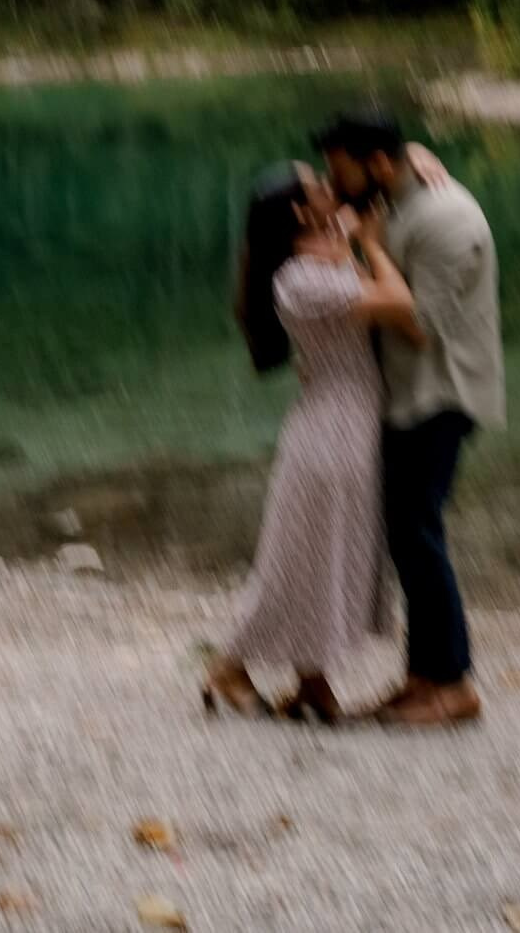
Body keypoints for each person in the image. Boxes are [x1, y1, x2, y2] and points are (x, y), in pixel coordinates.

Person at [203, 160, 420, 723]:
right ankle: (228, 666)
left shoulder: (322, 253)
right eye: (318, 185)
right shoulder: (300, 278)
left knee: (324, 556)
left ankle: (313, 683)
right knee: (299, 560)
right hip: (333, 432)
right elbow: (401, 304)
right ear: (302, 210)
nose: (330, 185)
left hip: (346, 424)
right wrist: (372, 245)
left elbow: (379, 178)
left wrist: (416, 158)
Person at [316, 110, 502, 728]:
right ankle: (423, 678)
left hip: (441, 396)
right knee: (407, 534)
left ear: (377, 163)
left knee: (419, 533)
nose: (332, 182)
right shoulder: (394, 198)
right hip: (409, 396)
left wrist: (366, 250)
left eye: (339, 170)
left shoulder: (447, 219)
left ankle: (454, 685)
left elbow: (422, 325)